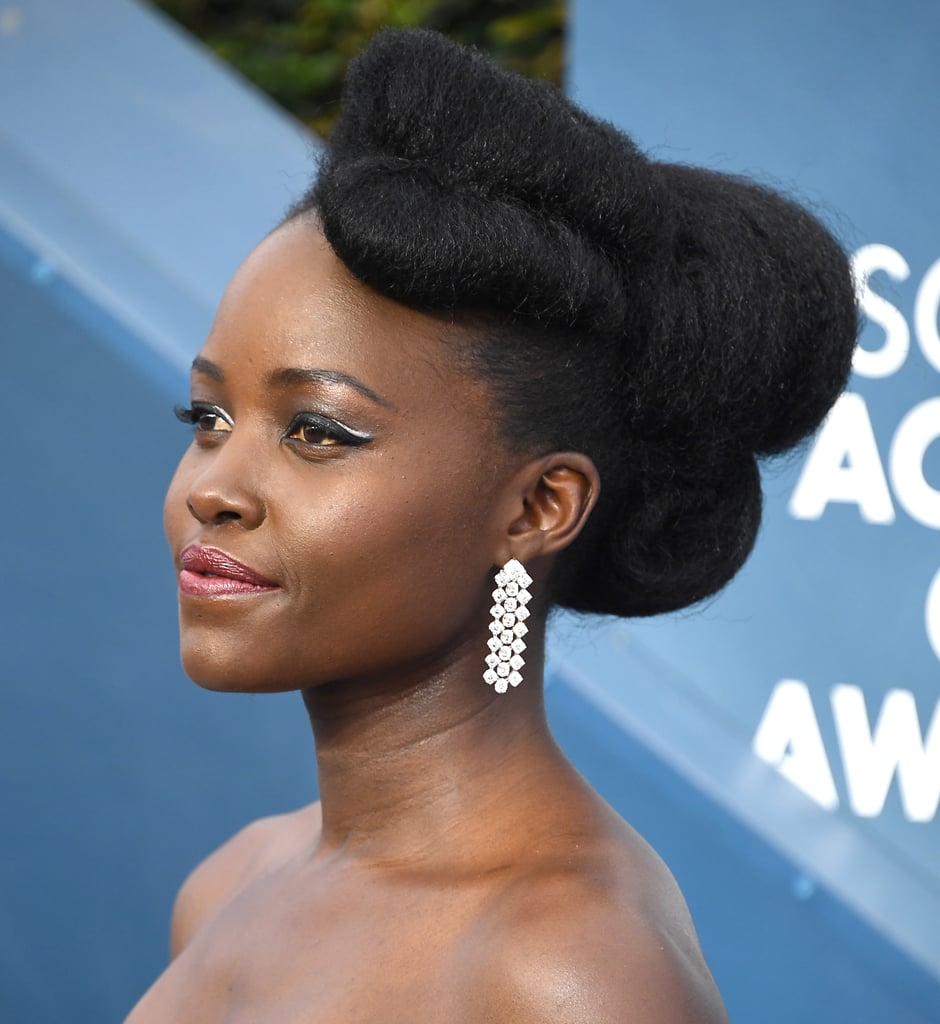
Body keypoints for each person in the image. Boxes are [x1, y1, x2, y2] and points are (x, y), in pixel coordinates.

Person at [127, 28, 858, 1024]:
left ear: (535, 509)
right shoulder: (231, 883)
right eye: (208, 418)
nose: (215, 489)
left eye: (317, 431)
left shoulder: (567, 973)